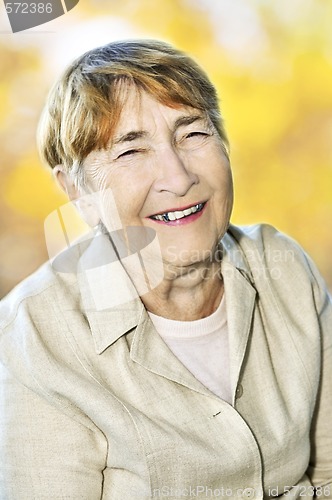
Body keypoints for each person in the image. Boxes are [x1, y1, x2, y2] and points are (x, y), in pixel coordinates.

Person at [0, 39, 331, 499]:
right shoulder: (33, 338)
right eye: (131, 151)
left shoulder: (287, 270)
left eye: (193, 133)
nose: (178, 178)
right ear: (78, 192)